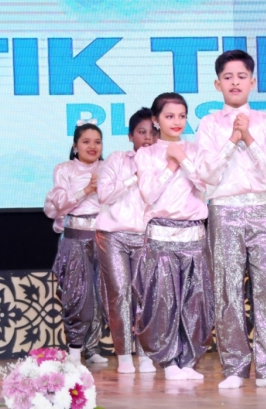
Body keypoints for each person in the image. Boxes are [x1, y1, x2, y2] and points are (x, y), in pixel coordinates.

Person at [195, 50, 266, 389]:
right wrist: (232, 140)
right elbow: (206, 173)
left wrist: (249, 137)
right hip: (224, 209)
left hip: (260, 208)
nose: (235, 82)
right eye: (228, 77)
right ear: (217, 83)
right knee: (227, 288)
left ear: (253, 81)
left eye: (241, 76)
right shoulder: (209, 124)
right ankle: (234, 366)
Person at [133, 93, 214, 381]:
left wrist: (183, 159)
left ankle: (188, 361)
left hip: (194, 235)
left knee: (195, 300)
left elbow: (206, 184)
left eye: (181, 116)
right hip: (161, 236)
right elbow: (149, 194)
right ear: (156, 120)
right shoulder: (146, 154)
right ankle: (168, 363)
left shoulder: (195, 150)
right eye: (169, 116)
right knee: (163, 300)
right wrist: (171, 165)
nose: (176, 121)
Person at [95, 108, 157, 373]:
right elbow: (104, 195)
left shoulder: (164, 162)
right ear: (131, 136)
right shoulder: (118, 160)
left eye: (152, 132)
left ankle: (145, 354)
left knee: (145, 295)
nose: (147, 138)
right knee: (119, 294)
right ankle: (123, 356)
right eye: (141, 132)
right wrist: (134, 178)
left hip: (147, 236)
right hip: (113, 236)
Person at [44, 120, 107, 364]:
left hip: (105, 237)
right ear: (75, 145)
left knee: (102, 294)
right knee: (78, 294)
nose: (93, 146)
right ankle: (75, 349)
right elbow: (58, 204)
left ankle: (93, 347)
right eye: (86, 142)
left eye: (98, 142)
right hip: (76, 238)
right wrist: (86, 190)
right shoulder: (65, 169)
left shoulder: (109, 168)